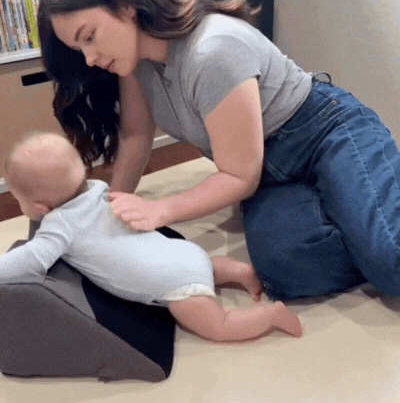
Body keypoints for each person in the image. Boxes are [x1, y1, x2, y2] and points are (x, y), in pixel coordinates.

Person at [37, 0, 400, 302]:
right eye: (78, 49)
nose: (89, 57)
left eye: (88, 36)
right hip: (266, 170)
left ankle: (373, 215)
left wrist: (161, 209)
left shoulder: (212, 50)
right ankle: (367, 208)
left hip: (324, 132)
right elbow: (136, 136)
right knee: (284, 269)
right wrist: (113, 209)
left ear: (125, 4)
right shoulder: (135, 63)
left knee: (391, 261)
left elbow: (240, 176)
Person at [1, 131, 302, 342]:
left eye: (19, 200)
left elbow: (30, 259)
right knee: (207, 266)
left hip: (174, 284)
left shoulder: (58, 226)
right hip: (184, 253)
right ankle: (238, 271)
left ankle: (269, 317)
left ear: (41, 207)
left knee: (218, 326)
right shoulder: (97, 189)